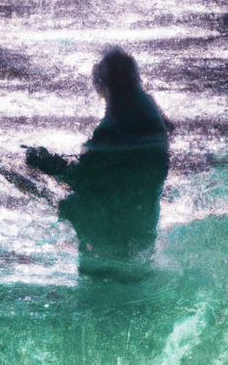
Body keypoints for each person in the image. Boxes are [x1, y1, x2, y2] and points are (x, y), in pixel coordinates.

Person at [25, 47, 172, 276]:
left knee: (70, 204)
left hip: (106, 241)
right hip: (142, 231)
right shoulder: (152, 115)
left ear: (104, 86)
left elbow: (82, 179)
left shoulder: (110, 133)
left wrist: (45, 162)